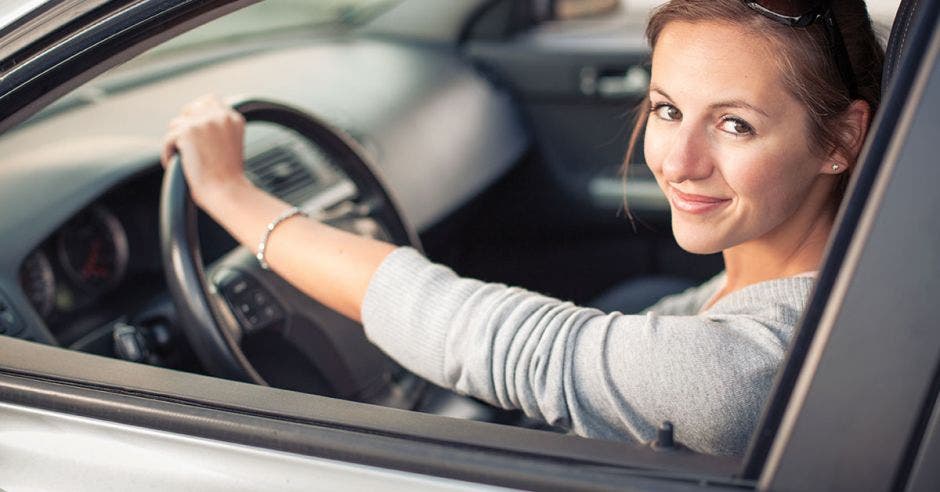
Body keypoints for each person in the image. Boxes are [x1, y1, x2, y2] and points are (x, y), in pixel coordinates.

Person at [161, 0, 885, 456]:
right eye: (666, 109)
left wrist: (232, 194)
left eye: (734, 123)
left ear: (840, 141)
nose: (679, 162)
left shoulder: (743, 370)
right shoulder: (818, 276)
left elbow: (484, 336)